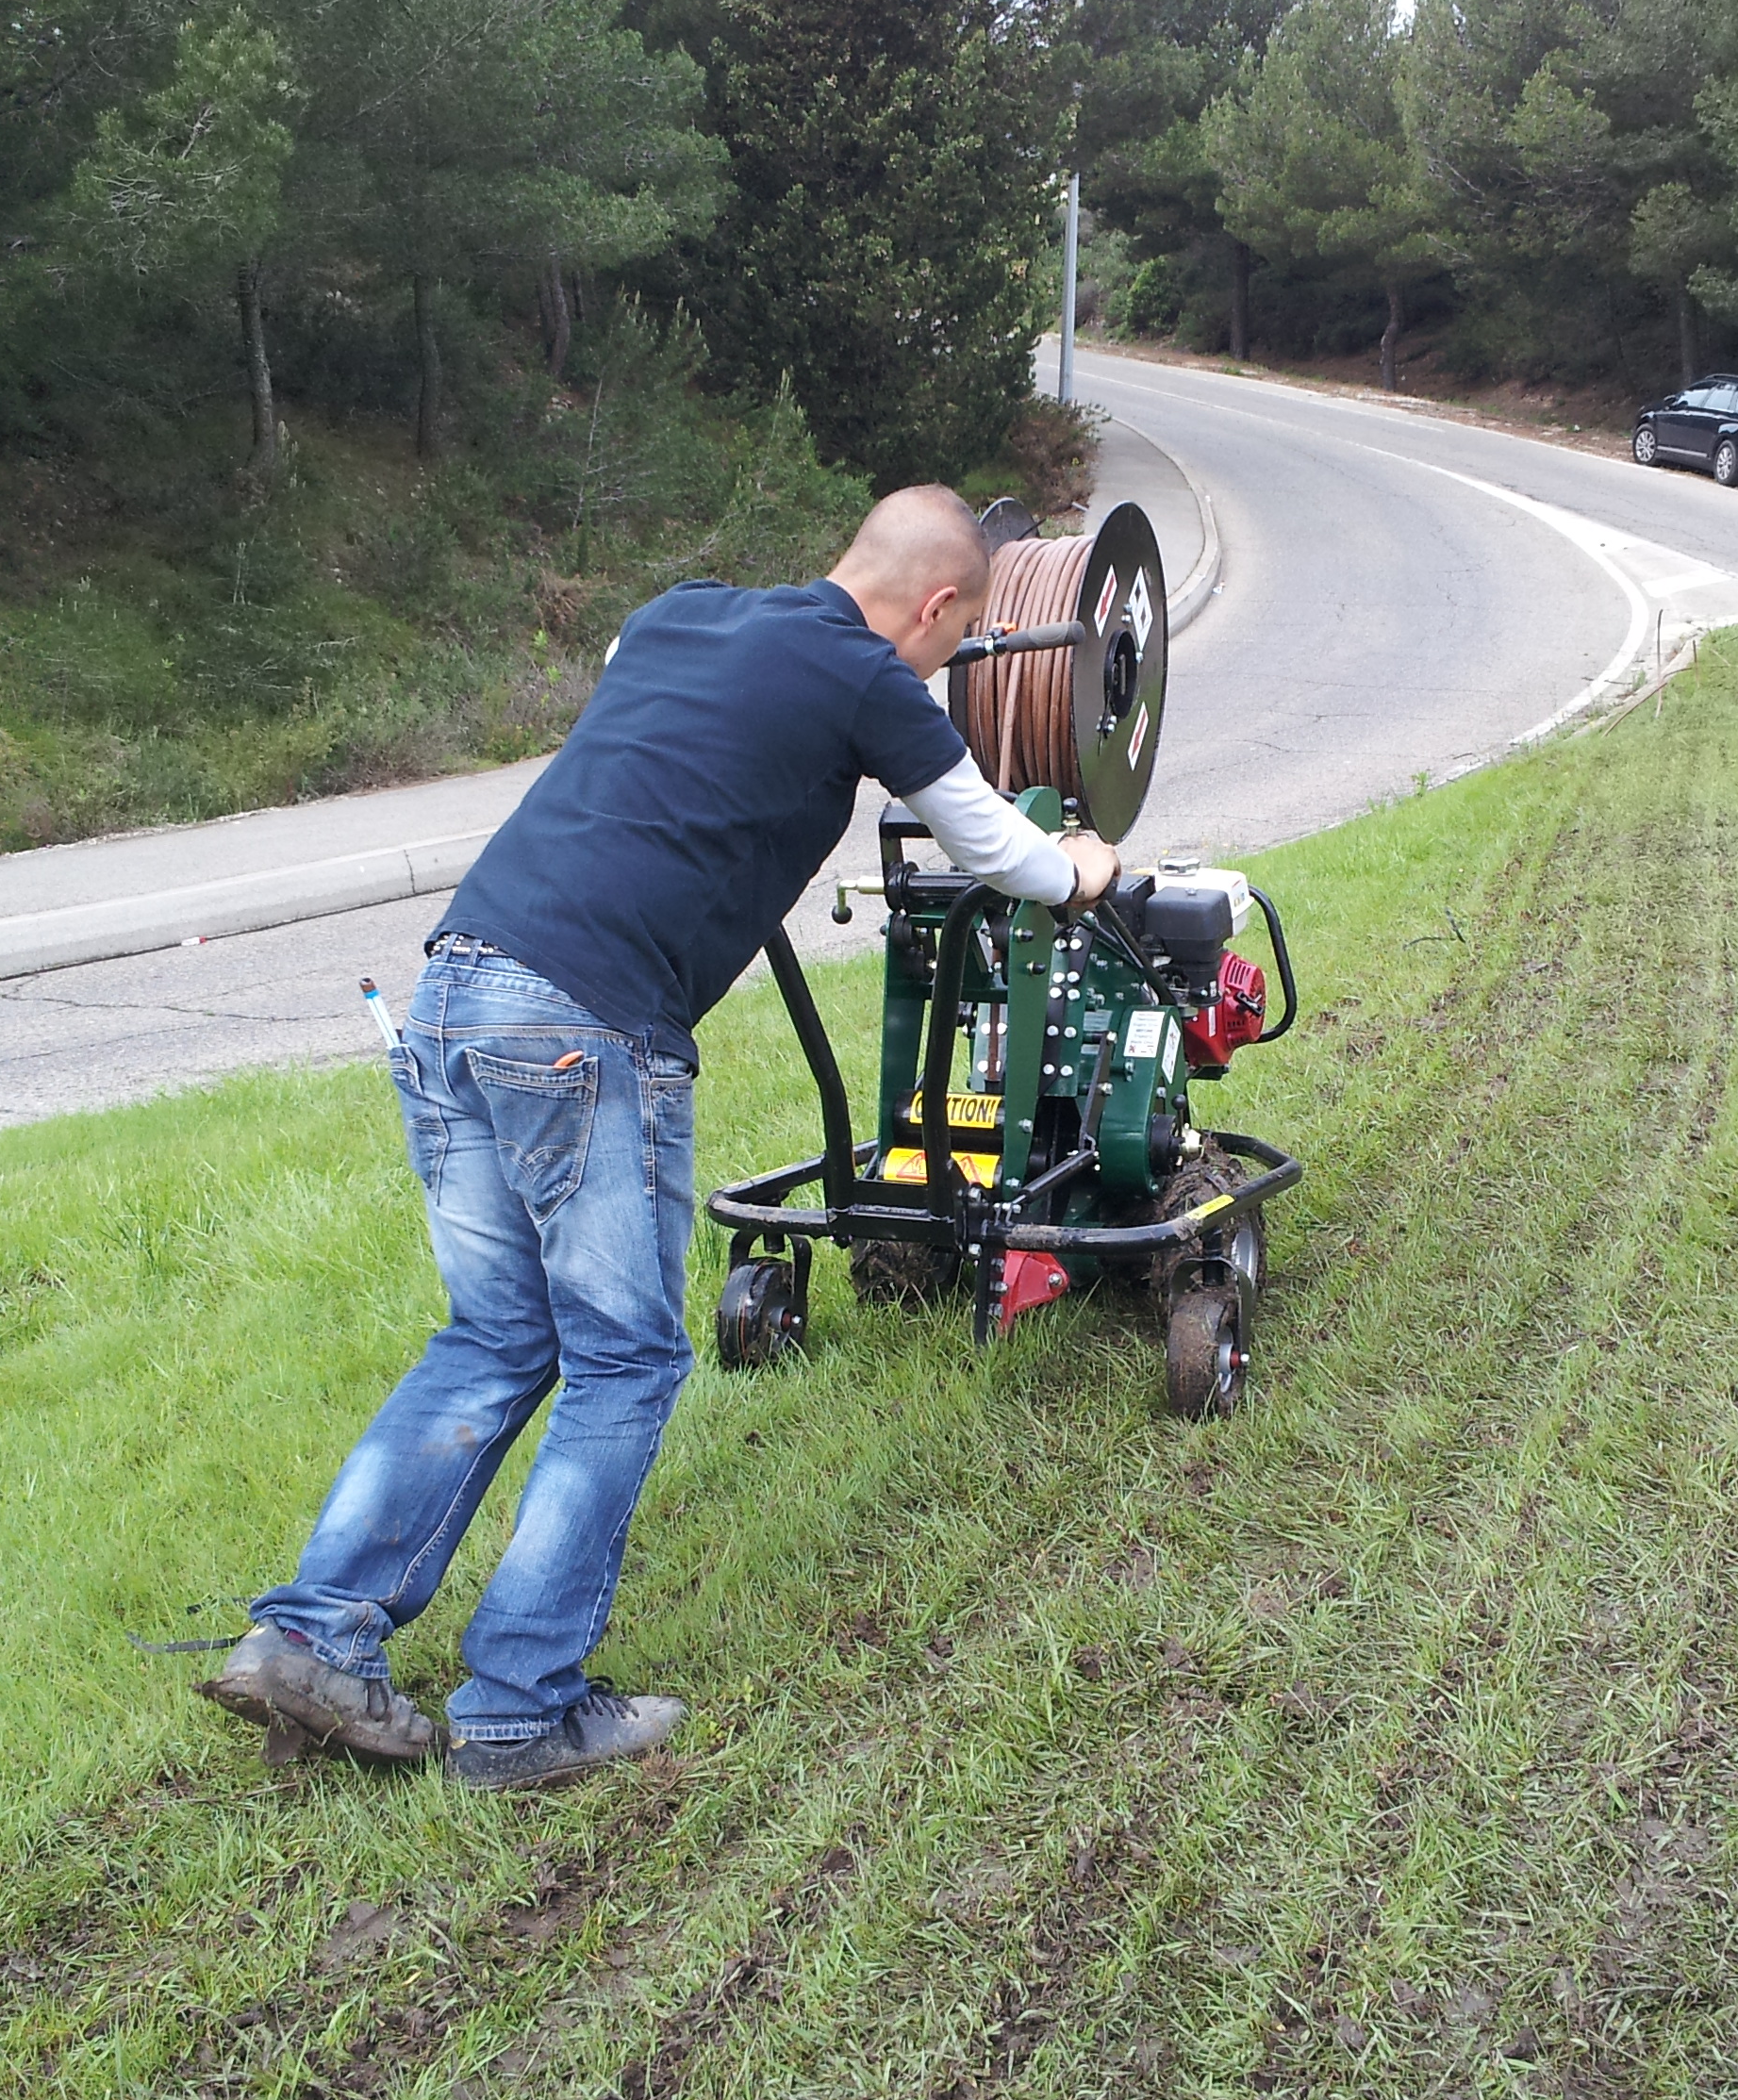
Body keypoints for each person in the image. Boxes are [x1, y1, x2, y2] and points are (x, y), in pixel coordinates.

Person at [201, 486, 1119, 1790]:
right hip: (583, 1023)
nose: (940, 659)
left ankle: (311, 1637)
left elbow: (657, 716)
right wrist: (1081, 863)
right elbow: (998, 852)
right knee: (625, 1361)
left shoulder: (678, 615)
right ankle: (521, 1708)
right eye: (948, 636)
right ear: (937, 608)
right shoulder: (873, 678)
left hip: (456, 986)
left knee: (494, 1337)